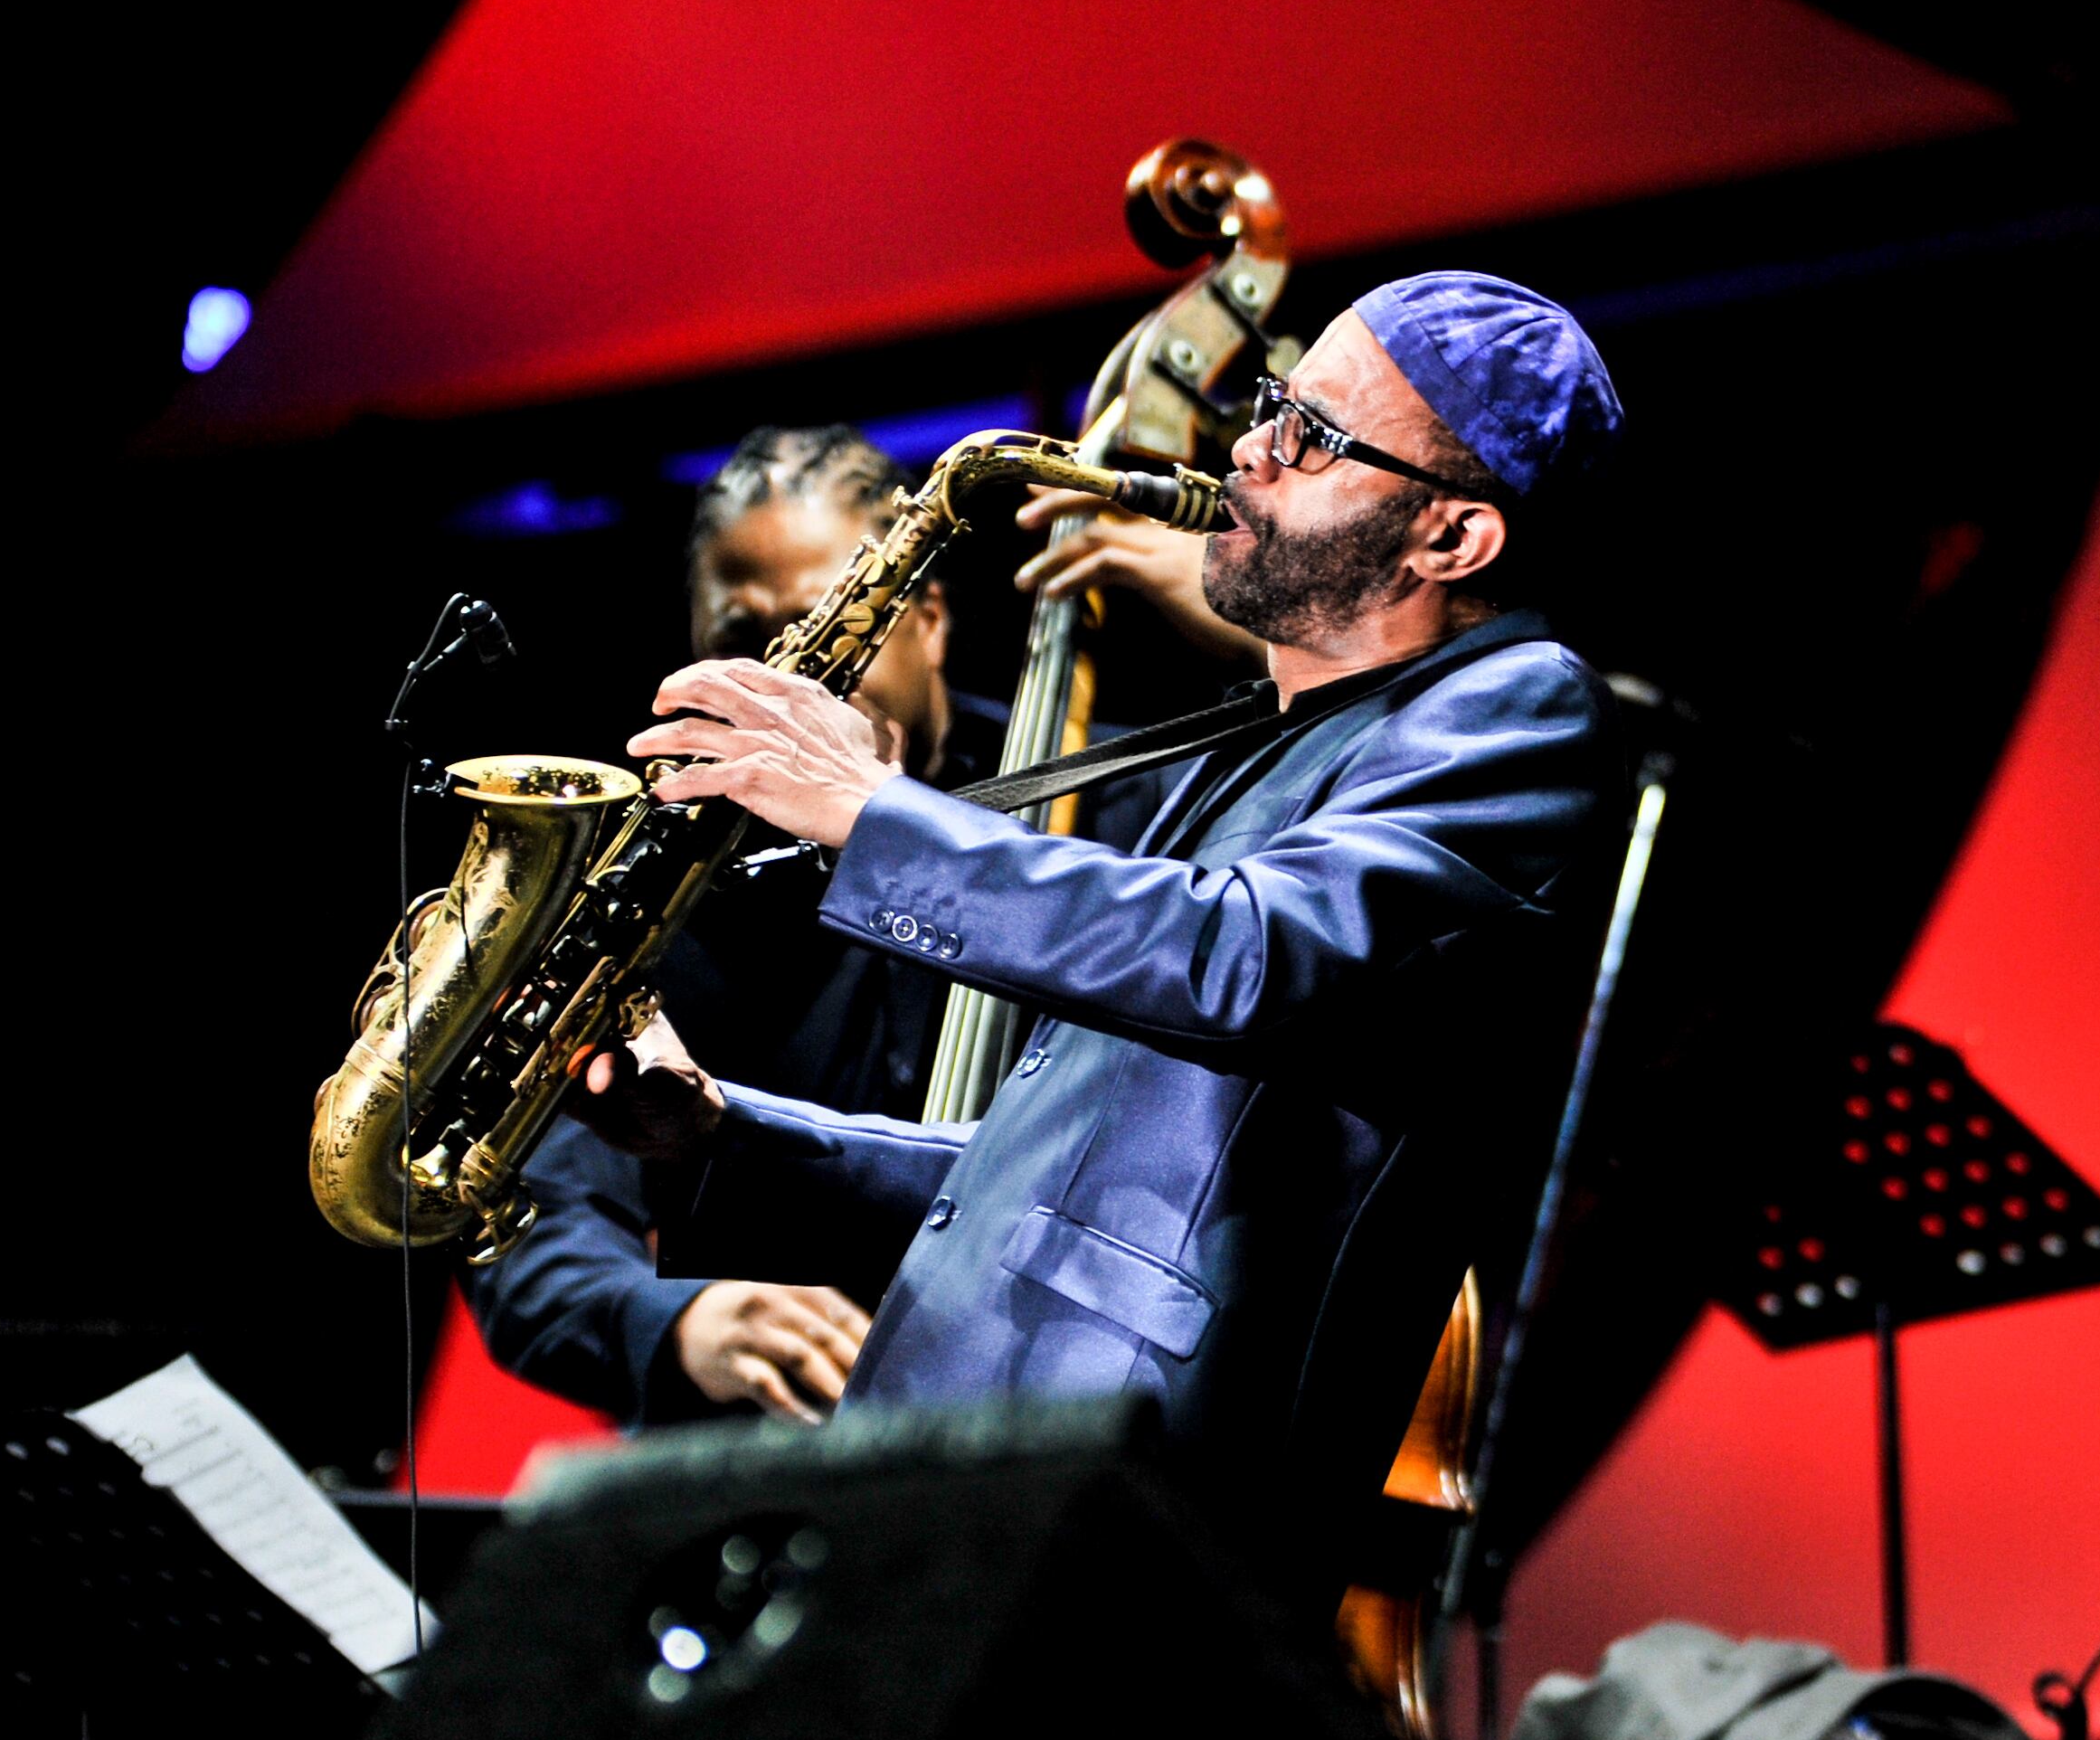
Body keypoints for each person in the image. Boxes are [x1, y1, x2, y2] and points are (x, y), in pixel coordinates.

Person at [582, 274, 1626, 1593]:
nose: (1247, 448)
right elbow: (1047, 1169)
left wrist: (870, 810)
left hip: (1125, 1503)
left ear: (1453, 540)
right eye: (1269, 406)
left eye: (1312, 434)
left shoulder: (1521, 714)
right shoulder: (1275, 735)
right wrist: (736, 1129)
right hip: (987, 1468)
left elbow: (1241, 955)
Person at [459, 425, 1175, 1427]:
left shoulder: (1132, 808)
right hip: (773, 1467)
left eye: (824, 629)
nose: (784, 682)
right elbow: (539, 1208)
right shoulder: (659, 882)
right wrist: (676, 1322)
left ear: (926, 617)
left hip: (1074, 1438)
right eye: (738, 644)